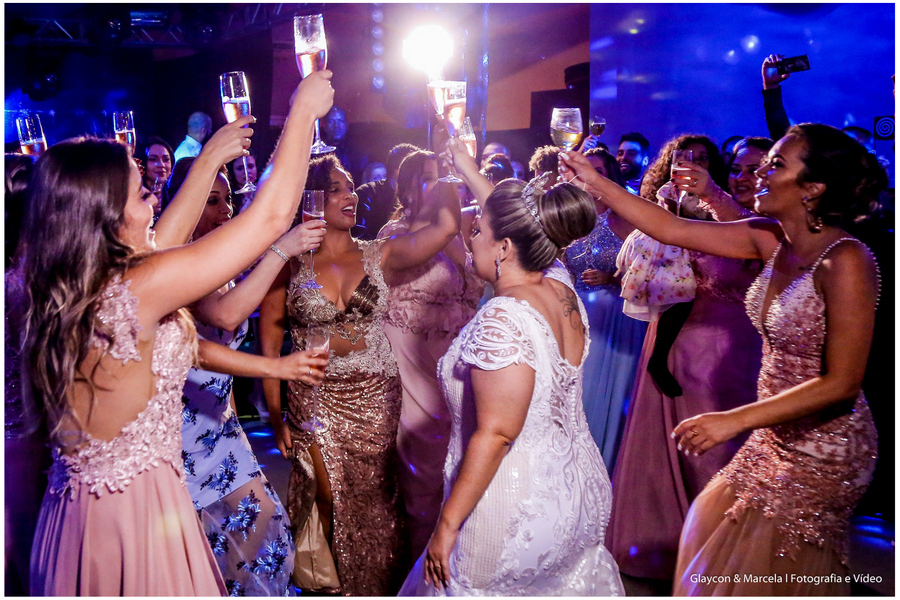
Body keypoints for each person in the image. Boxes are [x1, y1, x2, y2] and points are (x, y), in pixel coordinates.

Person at [23, 70, 334, 595]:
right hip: (134, 516)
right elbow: (270, 218)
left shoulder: (79, 286)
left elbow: (165, 241)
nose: (153, 200)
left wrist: (209, 159)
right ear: (107, 217)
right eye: (141, 192)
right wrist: (302, 112)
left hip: (78, 513)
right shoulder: (135, 290)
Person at [559, 123, 886, 595]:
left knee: (769, 572)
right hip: (771, 436)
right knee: (719, 551)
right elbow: (671, 227)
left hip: (823, 444)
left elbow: (842, 383)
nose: (758, 174)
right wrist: (594, 181)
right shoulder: (769, 239)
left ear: (813, 187)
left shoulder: (847, 260)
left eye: (776, 165)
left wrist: (735, 420)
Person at [398, 176, 624, 595]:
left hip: (512, 504)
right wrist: (466, 167)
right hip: (579, 492)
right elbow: (529, 224)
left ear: (503, 248)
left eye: (478, 230)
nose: (470, 237)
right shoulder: (561, 288)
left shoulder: (502, 318)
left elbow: (497, 434)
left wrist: (446, 526)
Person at [260, 153, 462, 595]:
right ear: (311, 199)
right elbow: (270, 346)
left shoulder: (380, 252)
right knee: (325, 493)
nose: (349, 195)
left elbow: (447, 228)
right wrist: (275, 418)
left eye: (351, 187)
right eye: (336, 189)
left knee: (376, 498)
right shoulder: (289, 263)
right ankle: (330, 585)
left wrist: (450, 163)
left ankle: (381, 587)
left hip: (375, 395)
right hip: (314, 395)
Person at [603, 136, 769, 588]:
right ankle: (667, 547)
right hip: (674, 342)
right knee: (665, 447)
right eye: (738, 169)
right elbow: (660, 245)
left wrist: (712, 195)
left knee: (716, 455)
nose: (745, 176)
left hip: (728, 351)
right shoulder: (692, 215)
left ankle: (723, 556)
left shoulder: (769, 227)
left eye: (756, 168)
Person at [166, 158, 328, 595]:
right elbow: (226, 315)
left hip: (221, 428)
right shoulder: (174, 266)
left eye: (227, 200)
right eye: (211, 201)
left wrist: (235, 419)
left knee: (266, 533)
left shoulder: (219, 263)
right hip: (182, 436)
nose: (225, 210)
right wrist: (282, 249)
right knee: (207, 553)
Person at [376, 150, 485, 561]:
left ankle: (455, 558)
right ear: (405, 189)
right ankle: (421, 567)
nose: (439, 186)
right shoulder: (395, 235)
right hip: (412, 361)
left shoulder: (460, 234)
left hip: (457, 364)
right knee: (423, 466)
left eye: (444, 177)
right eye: (427, 178)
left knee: (459, 465)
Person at [562, 147, 647, 471]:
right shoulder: (573, 219)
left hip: (613, 318)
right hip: (576, 315)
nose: (589, 176)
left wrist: (612, 278)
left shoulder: (623, 219)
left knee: (598, 393)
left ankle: (600, 463)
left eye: (597, 171)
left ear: (610, 177)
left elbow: (647, 269)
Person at [353, 142, 420, 240]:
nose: (417, 174)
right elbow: (359, 236)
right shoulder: (368, 192)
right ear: (396, 169)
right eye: (412, 168)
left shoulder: (420, 195)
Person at [136, 135, 174, 217]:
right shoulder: (134, 198)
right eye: (153, 159)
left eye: (166, 159)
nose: (161, 165)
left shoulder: (177, 194)